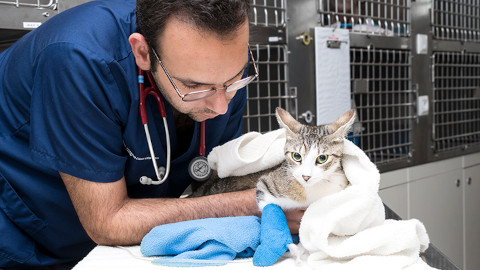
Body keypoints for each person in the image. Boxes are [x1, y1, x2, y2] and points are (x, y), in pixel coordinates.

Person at [0, 0, 304, 268]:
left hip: (130, 246)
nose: (222, 106)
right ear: (143, 52)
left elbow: (214, 180)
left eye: (235, 78)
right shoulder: (79, 60)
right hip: (26, 231)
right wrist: (261, 201)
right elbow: (108, 222)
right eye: (195, 87)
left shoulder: (220, 77)